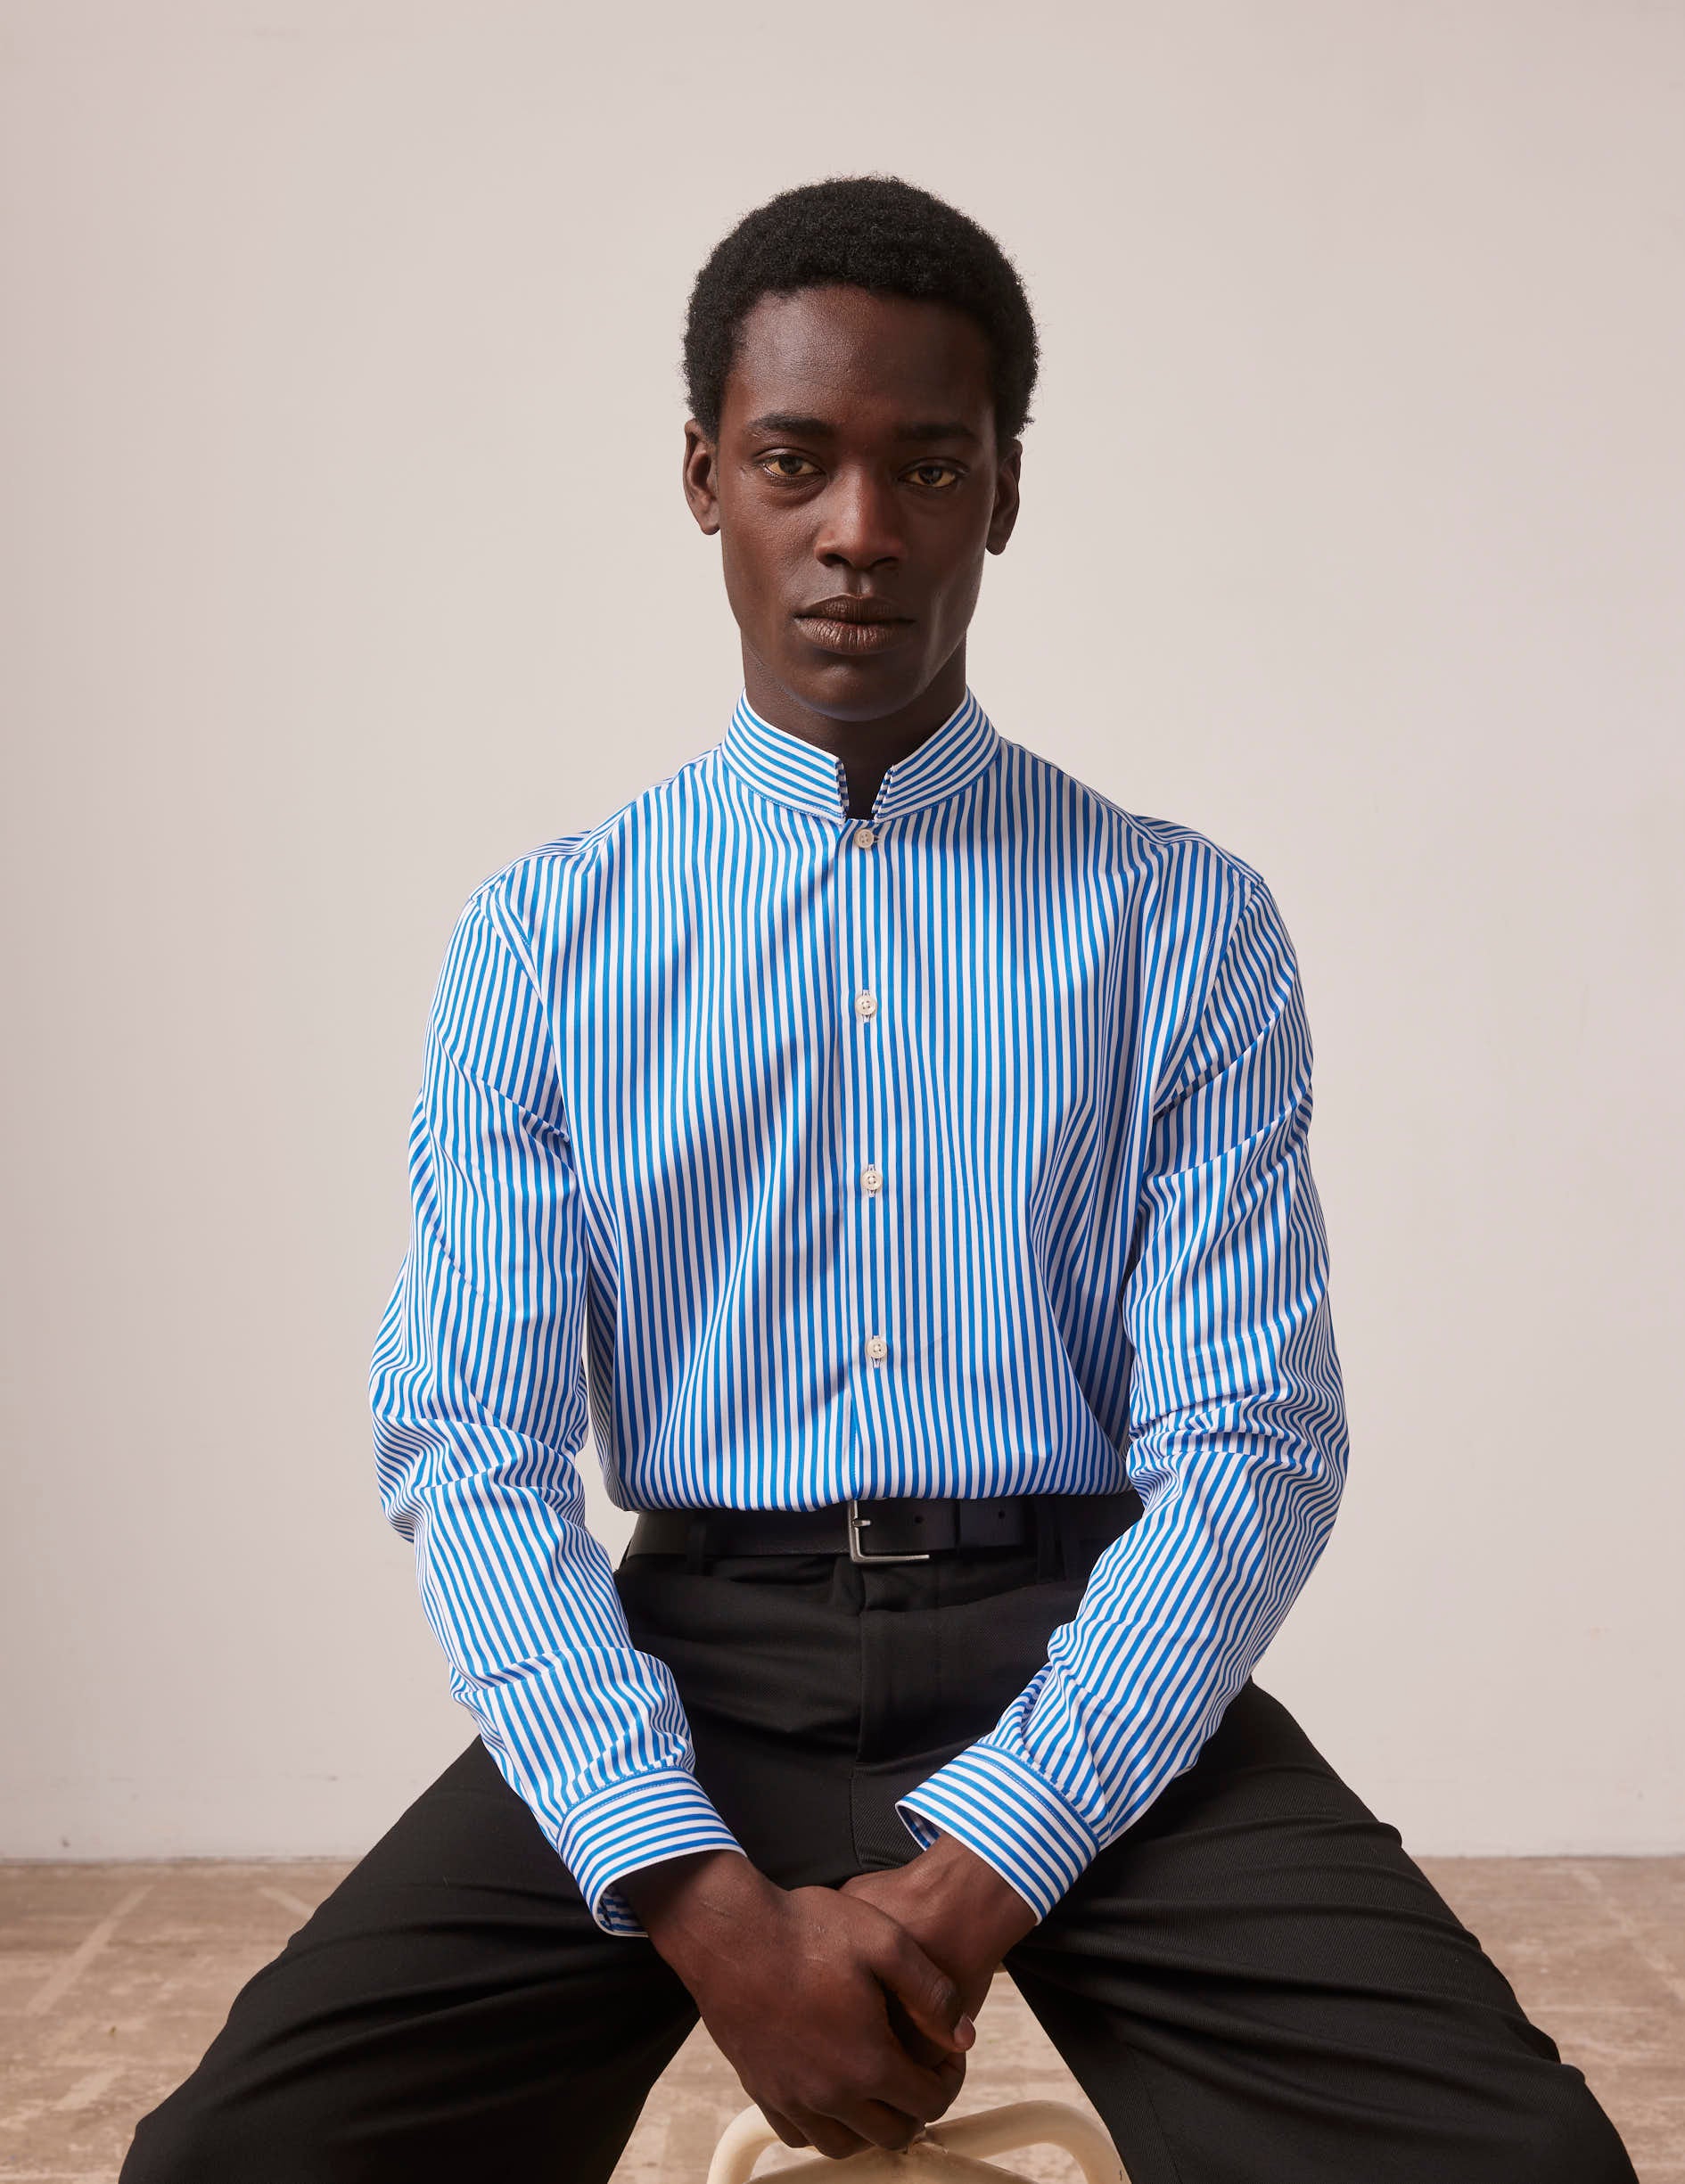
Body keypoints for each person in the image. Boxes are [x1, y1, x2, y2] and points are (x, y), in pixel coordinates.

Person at [121, 175, 1637, 2184]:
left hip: (1076, 1644)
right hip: (689, 1660)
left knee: (1528, 2169)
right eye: (794, 461)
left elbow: (1254, 1441)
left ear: (1003, 492)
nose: (861, 529)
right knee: (224, 2168)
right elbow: (471, 1444)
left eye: (928, 465)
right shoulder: (544, 941)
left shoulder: (1180, 924)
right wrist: (699, 1897)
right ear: (704, 478)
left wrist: (982, 1862)